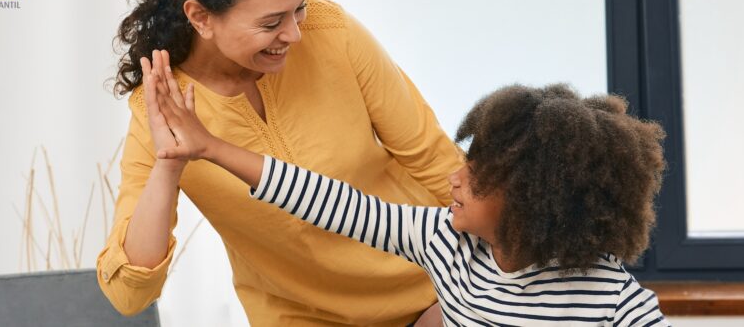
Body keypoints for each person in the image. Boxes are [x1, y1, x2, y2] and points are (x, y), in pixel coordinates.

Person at [96, 0, 464, 325]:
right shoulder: (163, 109)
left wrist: (493, 283)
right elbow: (129, 293)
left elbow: (434, 160)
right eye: (271, 22)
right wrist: (169, 167)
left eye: (299, 8)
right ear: (200, 17)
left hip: (437, 291)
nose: (294, 34)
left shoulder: (332, 33)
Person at [148, 71, 670, 326]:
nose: (455, 179)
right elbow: (331, 201)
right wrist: (212, 147)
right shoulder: (444, 241)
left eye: (478, 175)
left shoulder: (605, 292)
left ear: (536, 202)